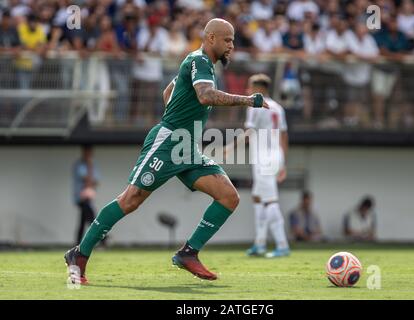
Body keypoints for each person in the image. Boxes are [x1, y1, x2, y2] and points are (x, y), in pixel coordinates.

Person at [64, 18, 269, 284]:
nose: (232, 45)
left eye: (233, 40)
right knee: (131, 199)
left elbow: (169, 90)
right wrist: (249, 100)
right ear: (210, 39)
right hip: (169, 141)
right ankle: (79, 254)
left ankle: (188, 253)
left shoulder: (198, 62)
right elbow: (205, 96)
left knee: (228, 196)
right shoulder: (200, 61)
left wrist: (180, 110)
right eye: (227, 40)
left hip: (186, 145)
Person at [225, 73, 290, 258]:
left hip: (264, 158)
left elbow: (249, 132)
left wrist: (230, 147)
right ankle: (260, 243)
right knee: (257, 196)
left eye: (250, 87)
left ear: (259, 89)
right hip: (276, 156)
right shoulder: (278, 107)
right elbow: (284, 135)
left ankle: (282, 244)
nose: (247, 91)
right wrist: (283, 162)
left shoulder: (254, 104)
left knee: (270, 200)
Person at [72, 145, 103, 246]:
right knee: (92, 218)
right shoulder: (79, 165)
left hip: (88, 196)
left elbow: (96, 181)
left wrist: (90, 181)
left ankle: (78, 243)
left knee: (84, 220)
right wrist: (89, 167)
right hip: (81, 197)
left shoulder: (93, 165)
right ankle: (103, 239)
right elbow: (87, 180)